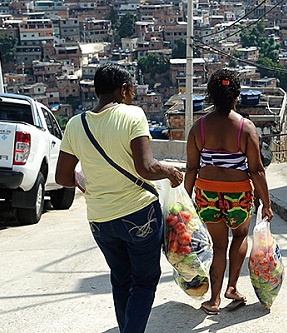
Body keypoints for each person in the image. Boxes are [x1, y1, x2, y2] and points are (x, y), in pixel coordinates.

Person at [55, 63, 183, 332]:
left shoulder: (76, 124)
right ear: (123, 90)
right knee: (145, 281)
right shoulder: (132, 115)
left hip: (100, 220)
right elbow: (146, 168)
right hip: (139, 214)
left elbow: (63, 177)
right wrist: (170, 171)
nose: (134, 97)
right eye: (132, 92)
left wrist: (86, 183)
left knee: (121, 279)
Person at [184, 68, 273, 315]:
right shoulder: (246, 128)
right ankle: (232, 287)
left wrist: (185, 201)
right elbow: (256, 169)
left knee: (218, 246)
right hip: (238, 193)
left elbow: (192, 167)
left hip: (207, 193)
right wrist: (266, 202)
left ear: (211, 96)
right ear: (236, 96)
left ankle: (213, 301)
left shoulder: (198, 129)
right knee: (240, 236)